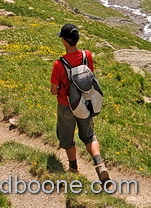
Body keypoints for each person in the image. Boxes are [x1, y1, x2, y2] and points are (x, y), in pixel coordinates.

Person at [51, 23, 110, 182]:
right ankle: (100, 165)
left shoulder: (59, 64)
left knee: (67, 138)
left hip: (66, 106)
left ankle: (73, 168)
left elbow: (54, 90)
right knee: (89, 136)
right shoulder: (87, 55)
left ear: (64, 41)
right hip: (85, 103)